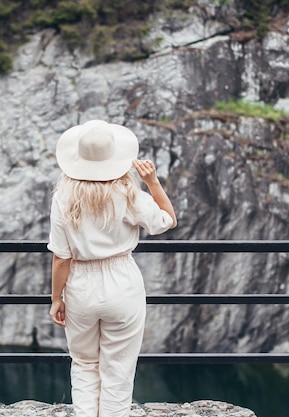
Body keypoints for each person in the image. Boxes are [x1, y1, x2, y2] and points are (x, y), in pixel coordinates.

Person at [47, 119, 177, 417]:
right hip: (123, 283)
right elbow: (167, 220)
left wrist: (57, 298)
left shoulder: (63, 198)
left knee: (84, 363)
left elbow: (61, 257)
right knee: (118, 367)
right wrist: (153, 182)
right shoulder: (129, 195)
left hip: (80, 284)